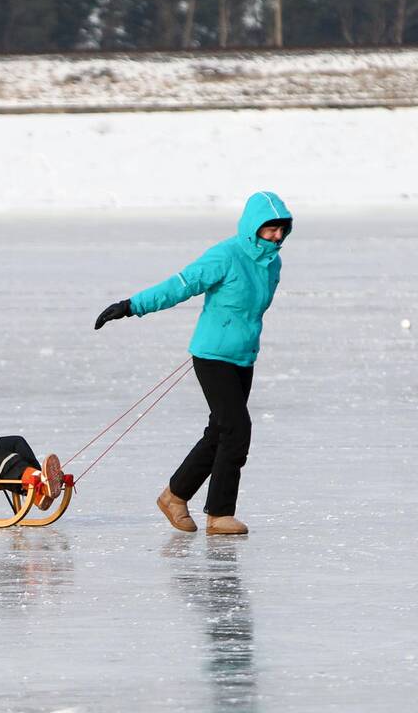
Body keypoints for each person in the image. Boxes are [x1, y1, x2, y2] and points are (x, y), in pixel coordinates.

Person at [94, 191, 293, 535]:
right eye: (269, 229)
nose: (276, 236)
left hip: (244, 357)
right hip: (212, 355)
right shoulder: (226, 255)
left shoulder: (272, 263)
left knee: (219, 431)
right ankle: (219, 514)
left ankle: (174, 495)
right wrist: (131, 306)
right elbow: (181, 285)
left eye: (281, 229)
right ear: (252, 227)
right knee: (236, 429)